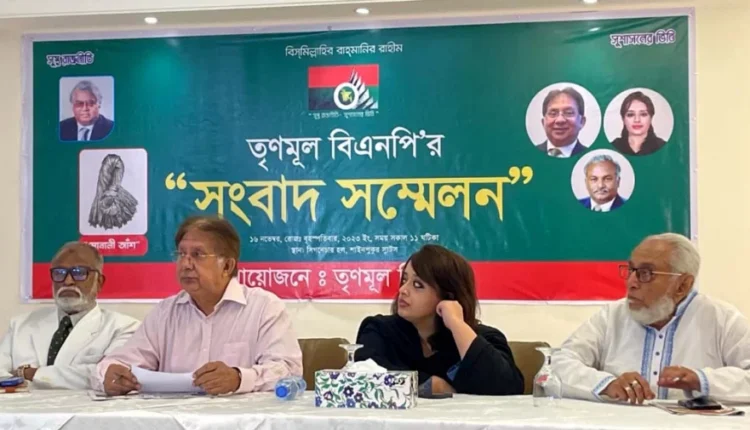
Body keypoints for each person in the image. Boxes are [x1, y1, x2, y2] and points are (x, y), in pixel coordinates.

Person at [94, 215, 303, 396]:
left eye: (197, 255)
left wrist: (239, 378)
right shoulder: (165, 313)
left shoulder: (264, 307)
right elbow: (118, 363)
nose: (185, 264)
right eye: (181, 254)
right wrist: (110, 374)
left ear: (227, 265)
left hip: (241, 421)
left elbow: (289, 372)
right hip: (174, 420)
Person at [553, 233, 750, 404]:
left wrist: (701, 380)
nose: (631, 282)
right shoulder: (611, 316)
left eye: (645, 274)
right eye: (631, 270)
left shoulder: (722, 319)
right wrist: (606, 384)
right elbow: (558, 363)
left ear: (682, 285)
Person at [353, 244, 524, 396]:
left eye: (418, 285)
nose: (403, 290)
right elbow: (366, 376)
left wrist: (456, 323)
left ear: (448, 296)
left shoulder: (486, 337)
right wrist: (435, 386)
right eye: (404, 279)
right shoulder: (379, 329)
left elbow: (508, 388)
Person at [0, 242, 139, 389]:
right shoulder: (20, 325)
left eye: (79, 272)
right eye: (59, 273)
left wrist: (30, 374)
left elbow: (108, 376)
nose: (68, 281)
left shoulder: (124, 328)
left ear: (99, 282)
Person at [610, 91, 667, 155]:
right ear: (623, 119)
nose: (637, 120)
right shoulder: (613, 147)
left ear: (651, 118)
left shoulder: (663, 147)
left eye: (643, 114)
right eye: (630, 115)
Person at [536, 87, 588, 158]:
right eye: (553, 113)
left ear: (582, 121)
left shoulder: (588, 155)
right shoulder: (528, 154)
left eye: (569, 113)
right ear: (543, 122)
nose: (560, 120)